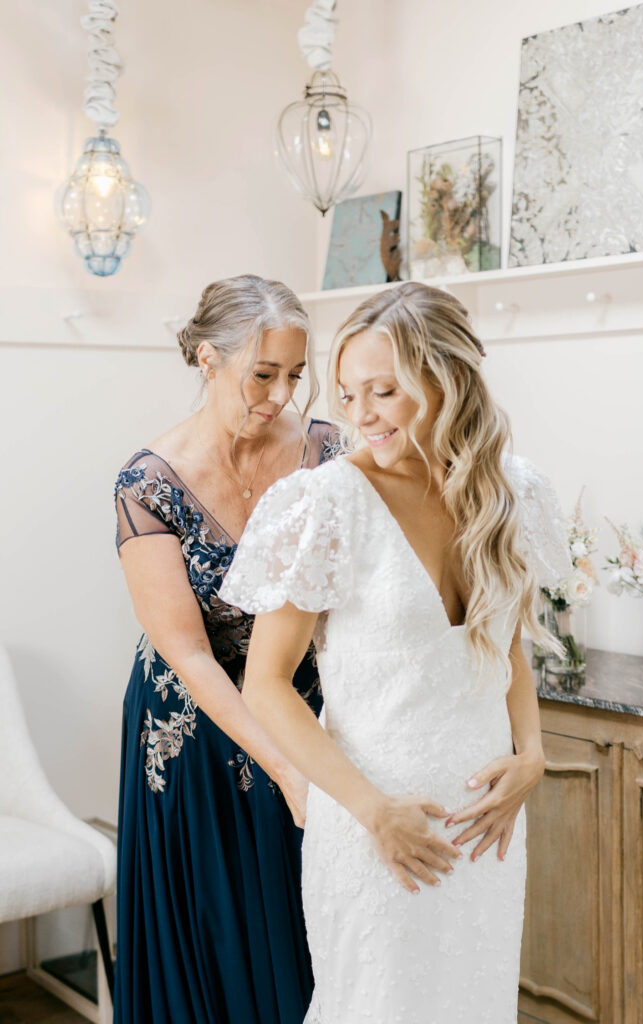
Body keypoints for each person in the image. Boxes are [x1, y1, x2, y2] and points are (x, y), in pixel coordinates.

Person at [219, 281, 571, 1024]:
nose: (360, 415)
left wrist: (532, 753)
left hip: (485, 830)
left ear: (444, 380)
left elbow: (506, 651)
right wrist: (372, 812)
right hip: (374, 828)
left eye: (382, 390)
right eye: (348, 394)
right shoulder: (326, 504)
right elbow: (266, 685)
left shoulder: (512, 493)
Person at [113, 275, 340, 1024]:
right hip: (193, 731)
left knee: (307, 928)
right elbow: (190, 653)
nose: (280, 396)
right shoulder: (150, 483)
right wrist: (285, 768)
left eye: (295, 375)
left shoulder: (323, 454)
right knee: (215, 936)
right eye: (263, 374)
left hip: (302, 710)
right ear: (209, 359)